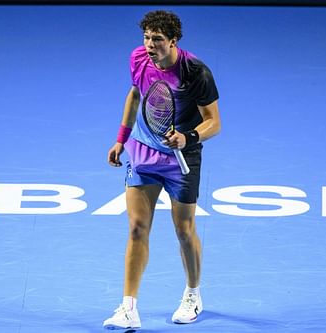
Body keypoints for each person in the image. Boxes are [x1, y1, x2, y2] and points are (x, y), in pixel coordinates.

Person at [104, 10, 221, 330]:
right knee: (137, 228)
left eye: (157, 39)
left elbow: (214, 122)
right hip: (142, 152)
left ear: (173, 41)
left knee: (184, 230)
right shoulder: (139, 58)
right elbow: (135, 94)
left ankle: (193, 294)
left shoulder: (195, 71)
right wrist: (121, 139)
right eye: (146, 38)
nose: (150, 45)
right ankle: (128, 307)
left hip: (181, 157)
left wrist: (188, 137)